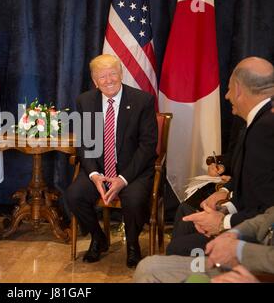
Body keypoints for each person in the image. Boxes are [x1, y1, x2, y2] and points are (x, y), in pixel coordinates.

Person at [167, 57, 274, 256]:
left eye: (229, 89)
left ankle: (192, 273)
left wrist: (222, 221)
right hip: (246, 216)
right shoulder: (261, 120)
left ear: (239, 89)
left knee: (178, 248)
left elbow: (266, 208)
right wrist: (225, 196)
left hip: (260, 239)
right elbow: (254, 184)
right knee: (186, 215)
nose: (226, 96)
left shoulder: (264, 130)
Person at [65, 54, 157, 267]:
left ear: (121, 74)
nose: (108, 80)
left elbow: (147, 147)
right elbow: (85, 144)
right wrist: (95, 175)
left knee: (133, 200)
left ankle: (133, 245)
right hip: (99, 168)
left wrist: (123, 179)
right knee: (74, 195)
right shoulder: (85, 101)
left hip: (133, 171)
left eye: (112, 74)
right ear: (95, 81)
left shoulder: (142, 101)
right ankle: (98, 237)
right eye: (102, 77)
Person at [133, 206, 274, 283]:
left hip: (261, 271)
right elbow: (266, 218)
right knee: (147, 265)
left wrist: (238, 250)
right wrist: (231, 234)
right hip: (248, 257)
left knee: (150, 278)